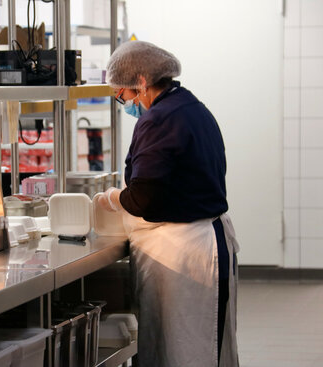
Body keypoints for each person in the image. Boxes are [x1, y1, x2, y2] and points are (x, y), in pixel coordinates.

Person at [98, 41, 240, 367]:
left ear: (142, 81)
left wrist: (112, 198)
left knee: (186, 349)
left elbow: (143, 198)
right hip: (204, 241)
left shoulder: (159, 120)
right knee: (200, 346)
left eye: (122, 93)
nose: (124, 101)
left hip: (183, 252)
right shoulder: (191, 107)